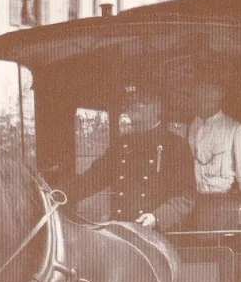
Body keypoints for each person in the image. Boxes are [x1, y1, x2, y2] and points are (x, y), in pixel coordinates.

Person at [67, 83, 195, 232]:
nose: (132, 106)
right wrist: (59, 194)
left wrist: (157, 217)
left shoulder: (175, 145)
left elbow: (186, 197)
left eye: (141, 101)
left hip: (158, 235)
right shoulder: (122, 145)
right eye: (129, 102)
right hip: (122, 233)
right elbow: (92, 178)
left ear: (158, 106)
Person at [188, 82, 241, 247]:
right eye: (200, 93)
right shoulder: (188, 130)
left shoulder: (236, 130)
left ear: (219, 97)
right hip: (192, 213)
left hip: (225, 214)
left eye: (210, 93)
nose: (204, 98)